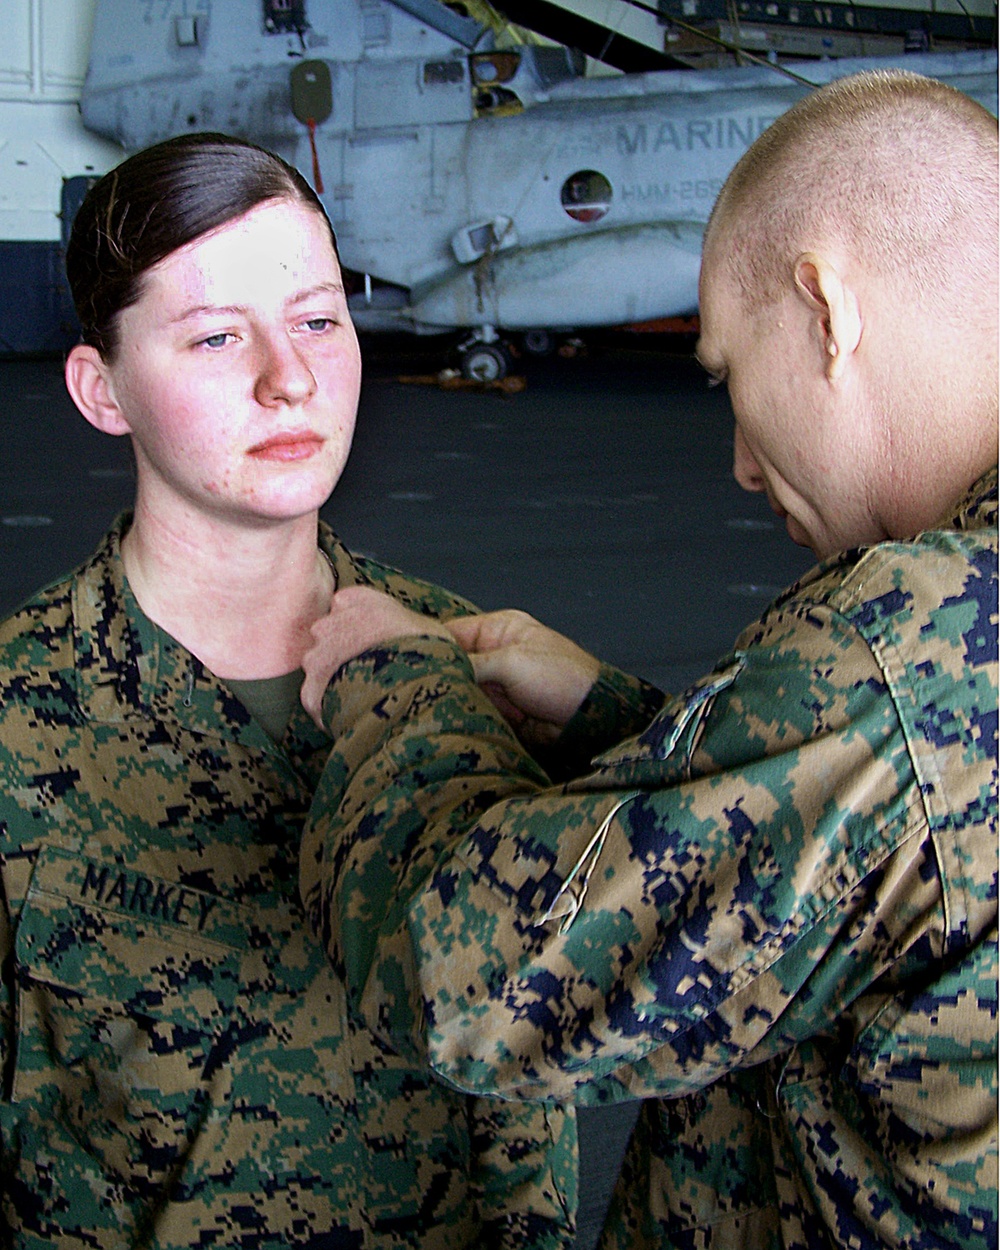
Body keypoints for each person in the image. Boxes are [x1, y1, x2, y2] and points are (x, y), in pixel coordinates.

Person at [297, 69, 998, 1249]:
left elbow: (478, 984)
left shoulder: (909, 651)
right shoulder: (928, 682)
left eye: (727, 373)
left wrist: (396, 686)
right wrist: (614, 720)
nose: (734, 459)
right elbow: (905, 859)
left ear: (826, 309)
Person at [0, 133, 578, 1248]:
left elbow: (530, 1114)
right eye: (217, 336)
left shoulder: (475, 680)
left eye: (318, 319)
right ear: (101, 386)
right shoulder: (21, 722)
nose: (291, 377)